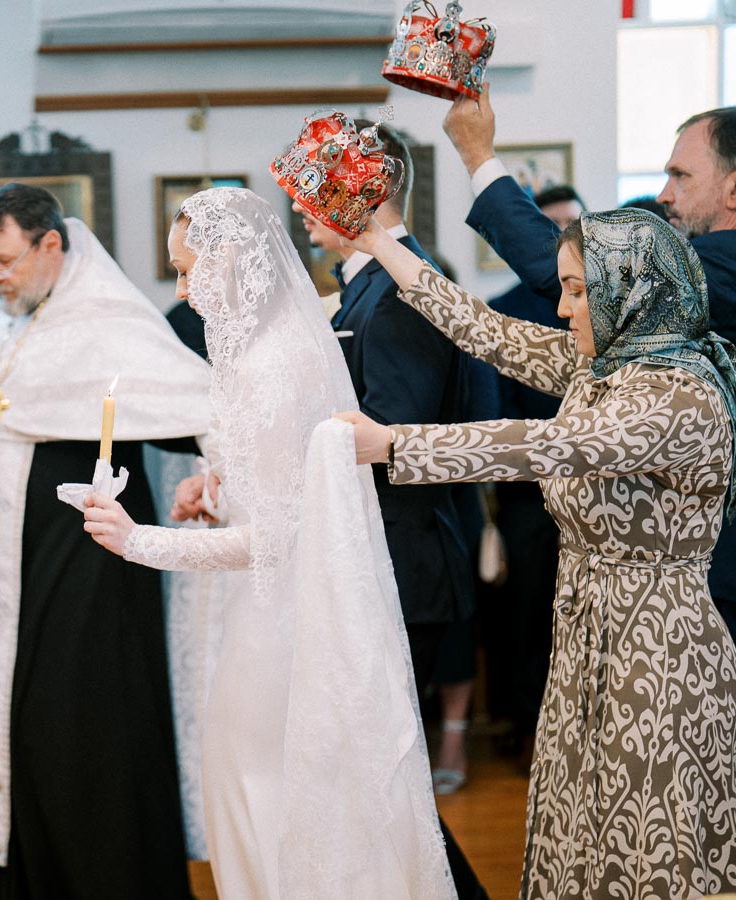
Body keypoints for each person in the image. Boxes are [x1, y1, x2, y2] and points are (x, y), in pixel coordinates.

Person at [339, 207, 736, 899]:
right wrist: (379, 241)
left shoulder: (682, 395)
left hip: (662, 657)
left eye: (579, 290)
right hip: (588, 639)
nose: (562, 308)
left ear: (635, 286)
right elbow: (484, 330)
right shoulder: (603, 367)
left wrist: (394, 444)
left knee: (651, 847)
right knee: (581, 831)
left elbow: (544, 445)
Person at [81, 187, 454, 899]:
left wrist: (141, 542)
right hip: (276, 610)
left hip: (285, 619)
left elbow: (277, 539)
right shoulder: (270, 347)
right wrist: (215, 488)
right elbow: (282, 484)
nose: (183, 291)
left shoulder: (269, 368)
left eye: (190, 272)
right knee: (265, 786)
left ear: (230, 263)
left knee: (265, 788)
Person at [446, 92, 736, 877]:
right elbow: (505, 334)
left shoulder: (734, 262)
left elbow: (579, 266)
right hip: (638, 601)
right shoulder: (629, 348)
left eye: (679, 175)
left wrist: (481, 157)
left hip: (704, 585)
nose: (663, 194)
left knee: (678, 829)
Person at [0, 183, 210, 899]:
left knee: (79, 741)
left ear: (51, 245)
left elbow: (203, 409)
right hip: (7, 577)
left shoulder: (113, 321)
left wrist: (216, 477)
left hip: (88, 576)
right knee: (18, 736)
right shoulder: (12, 323)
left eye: (6, 261)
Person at [288, 121, 484, 897]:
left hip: (402, 563)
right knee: (377, 789)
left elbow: (390, 440)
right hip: (381, 558)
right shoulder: (368, 283)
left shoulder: (403, 291)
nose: (301, 205)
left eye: (314, 189)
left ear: (360, 194)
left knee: (386, 784)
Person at [473, 184, 584, 779]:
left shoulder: (611, 312)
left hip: (595, 484)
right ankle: (521, 724)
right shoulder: (509, 304)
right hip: (527, 491)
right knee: (525, 612)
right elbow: (497, 406)